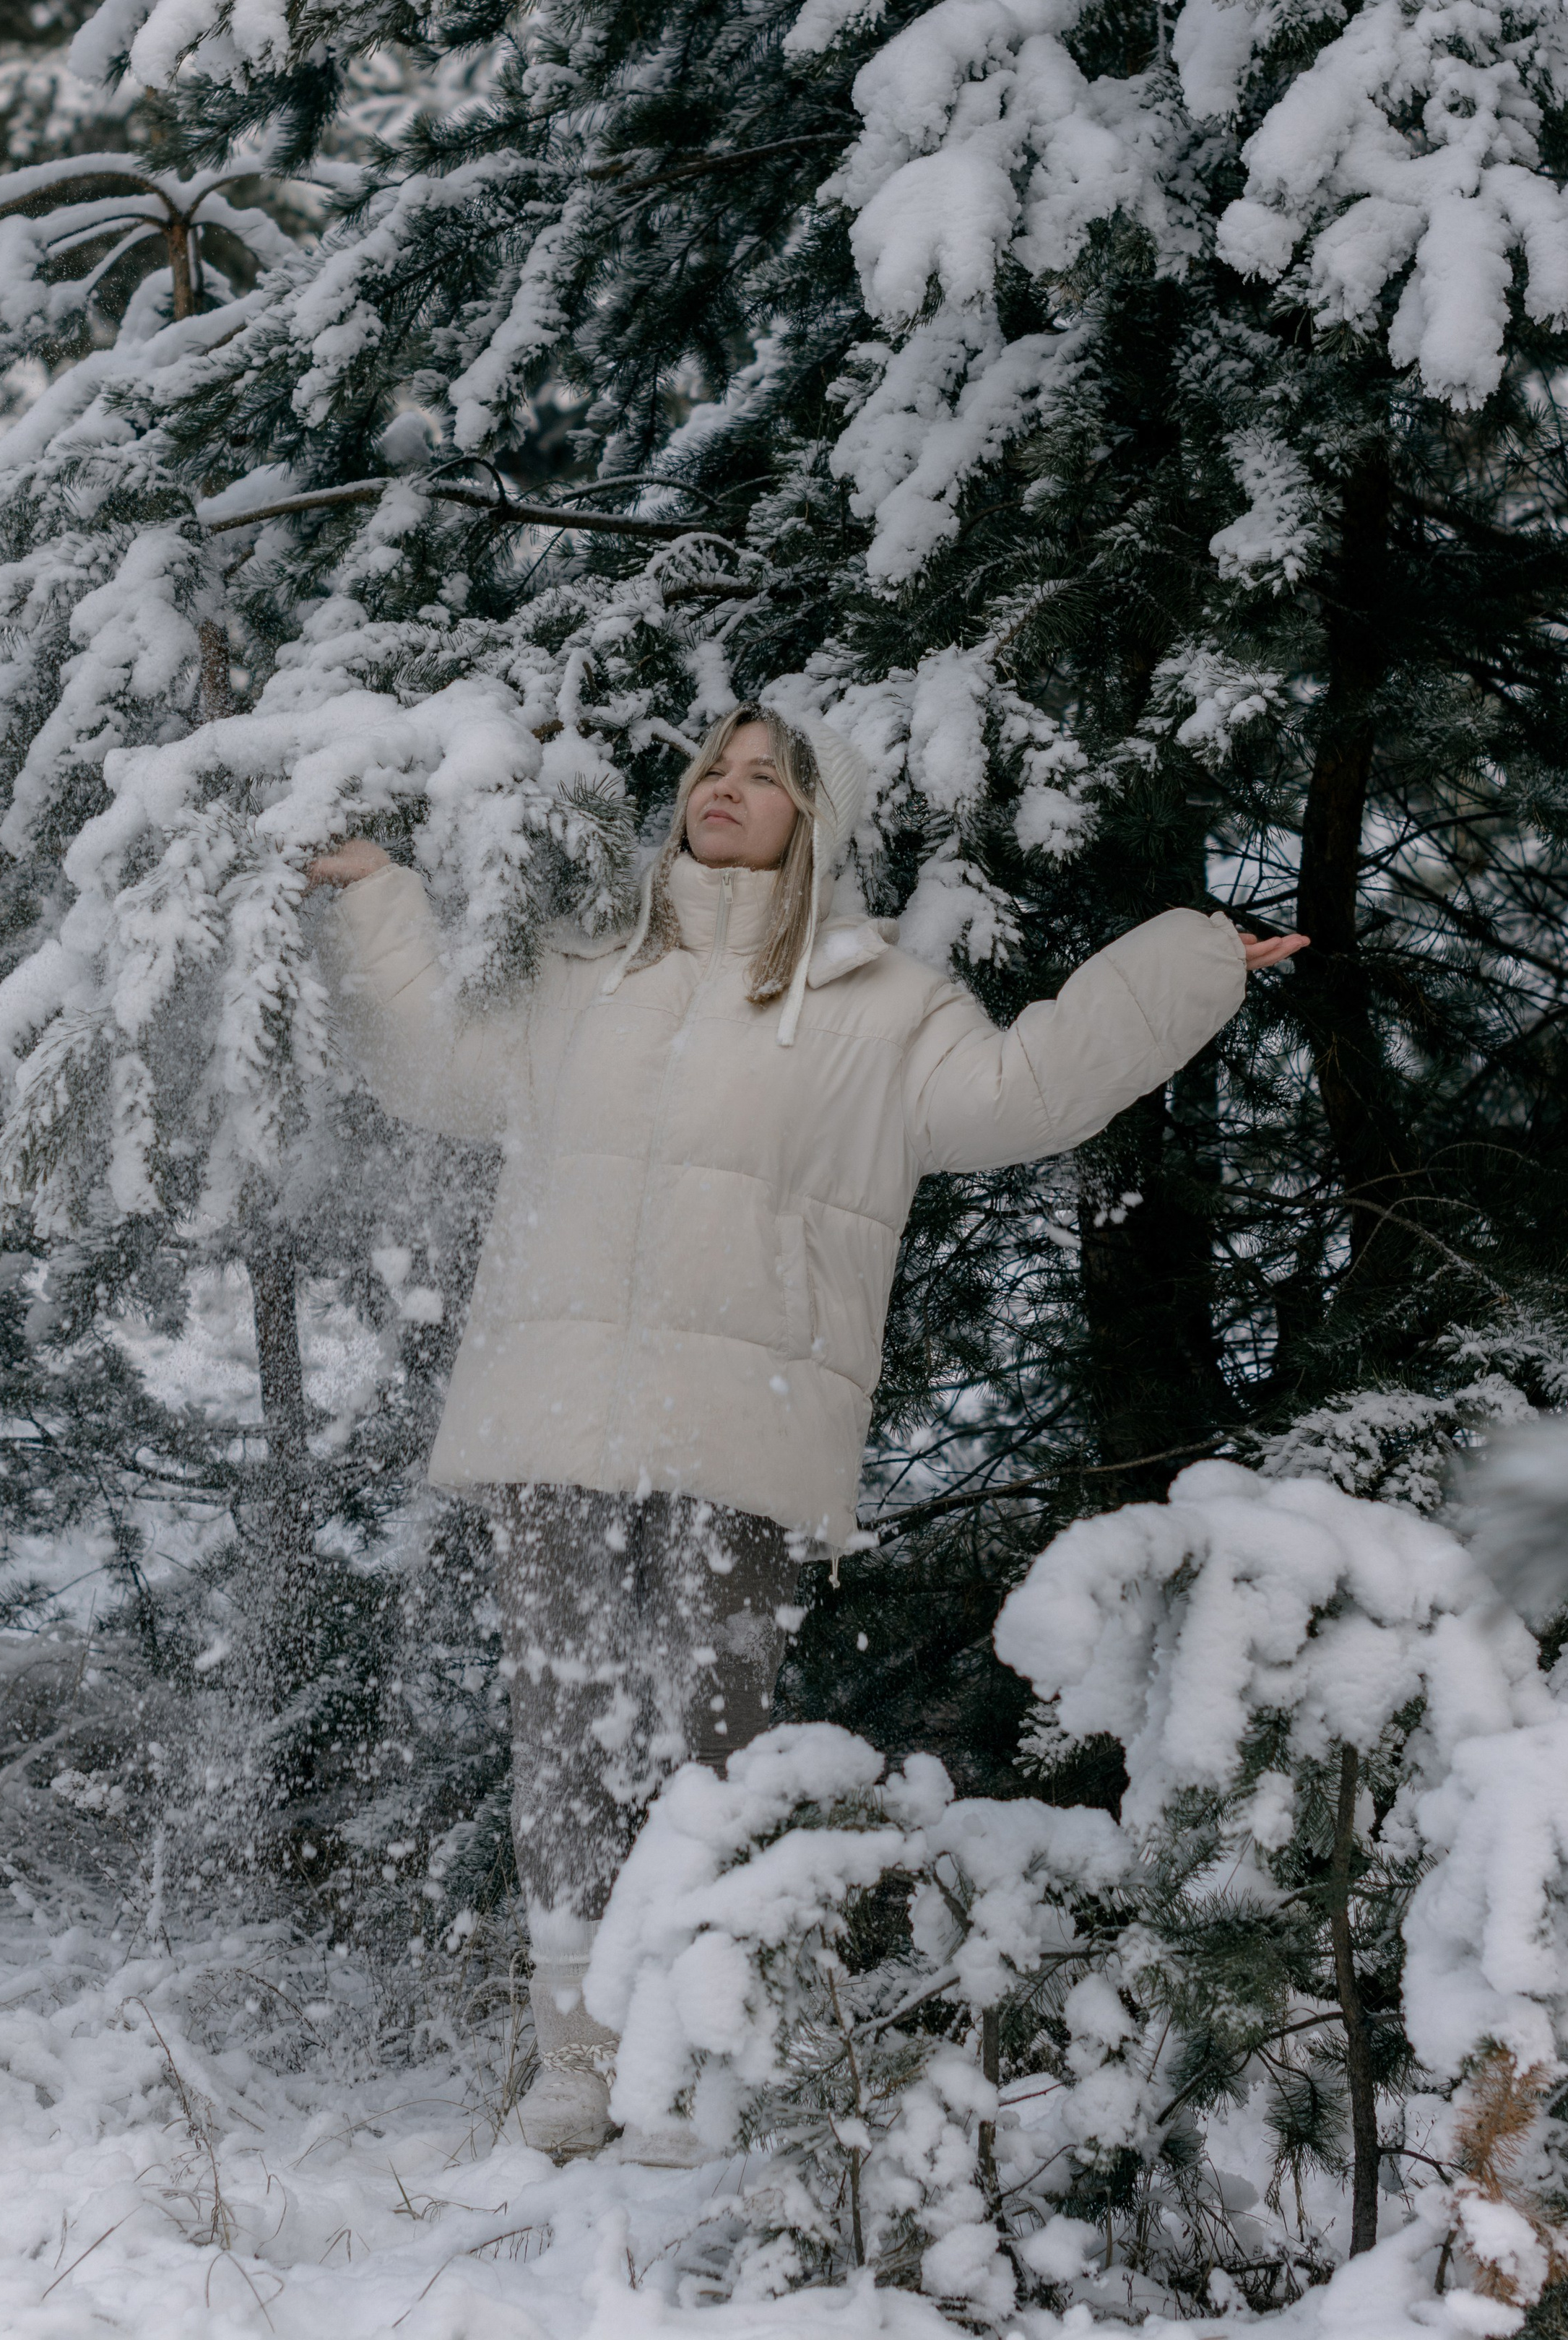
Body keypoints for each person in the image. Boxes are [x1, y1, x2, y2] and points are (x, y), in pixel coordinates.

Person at [306, 706, 1304, 2156]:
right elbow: (430, 1066)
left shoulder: (883, 1003)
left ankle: (682, 2064)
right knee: (564, 1744)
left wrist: (1187, 964)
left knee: (704, 1754)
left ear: (814, 819)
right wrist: (380, 901)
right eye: (712, 767)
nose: (726, 788)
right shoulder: (584, 973)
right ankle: (574, 2063)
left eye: (763, 775)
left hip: (746, 1435)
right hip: (551, 1419)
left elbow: (1026, 1093)